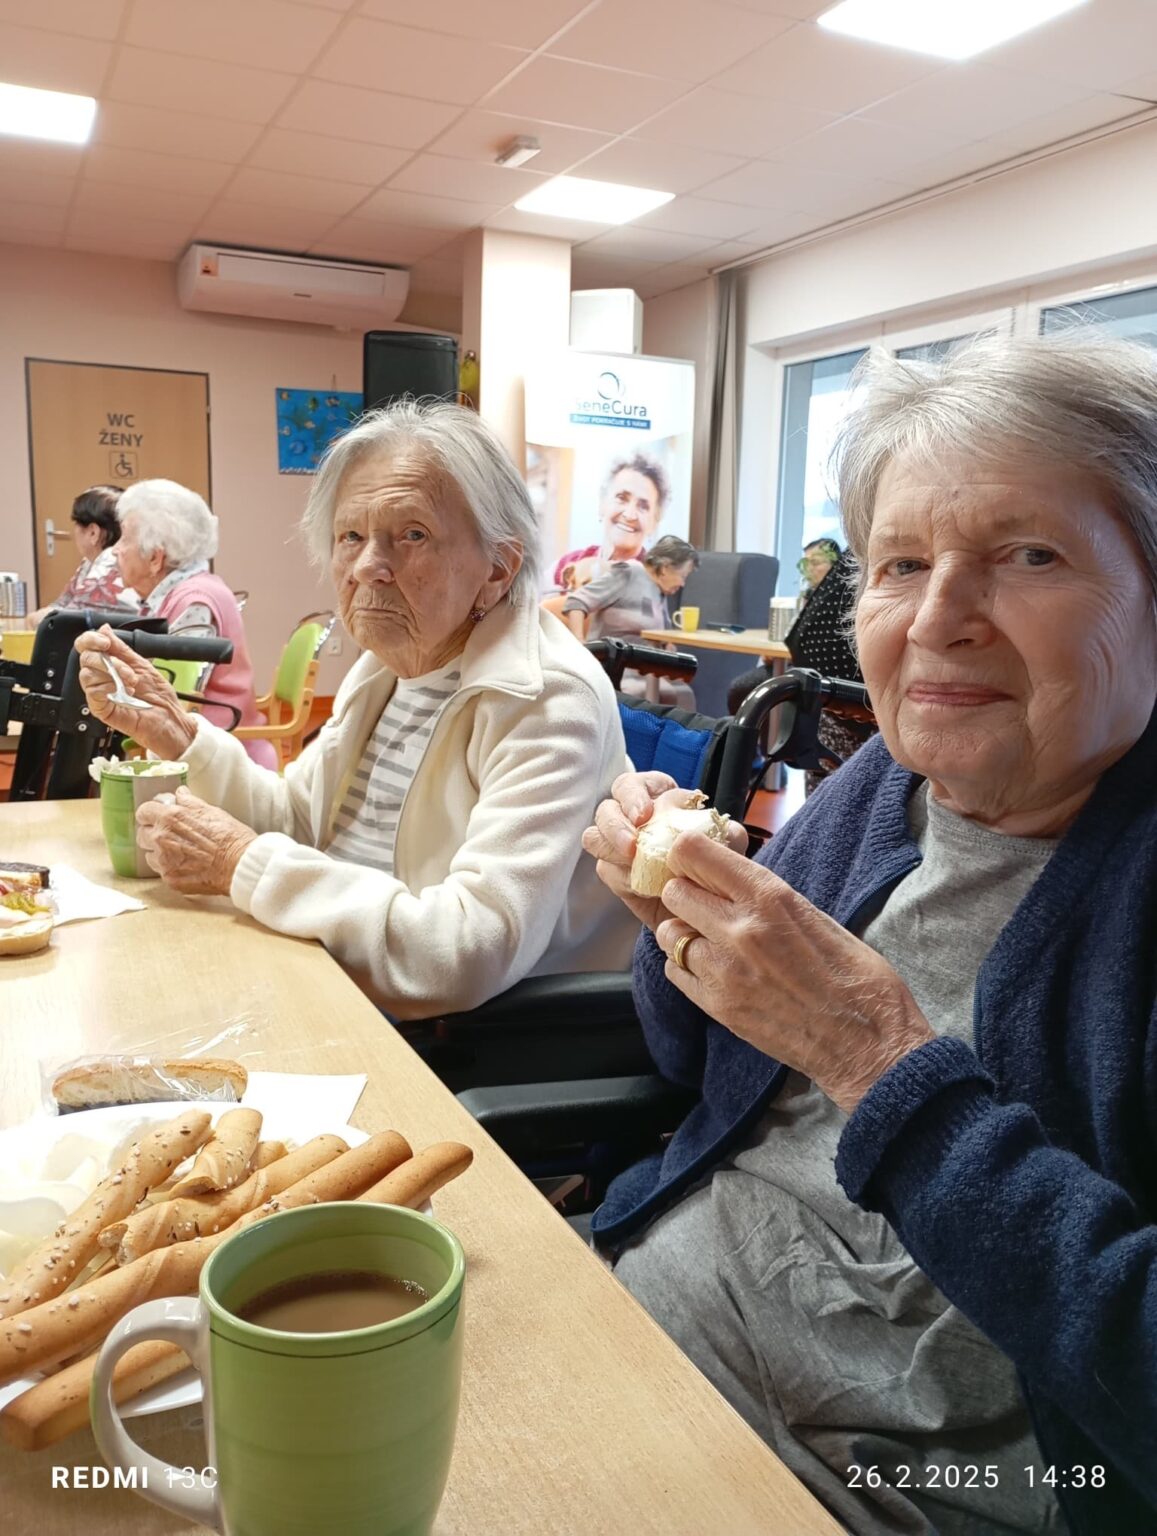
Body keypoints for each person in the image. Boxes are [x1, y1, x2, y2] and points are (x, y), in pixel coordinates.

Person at [581, 331, 1157, 1536]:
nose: (937, 619)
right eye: (900, 563)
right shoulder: (874, 791)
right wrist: (681, 936)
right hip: (651, 1334)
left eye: (1028, 555)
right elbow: (702, 1078)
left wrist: (877, 1062)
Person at [75, 402, 640, 1020]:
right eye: (351, 536)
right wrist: (181, 733)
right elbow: (297, 819)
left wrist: (239, 862)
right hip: (334, 979)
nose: (368, 565)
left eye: (412, 535)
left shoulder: (546, 699)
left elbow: (465, 951)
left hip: (459, 1038)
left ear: (497, 568)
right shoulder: (387, 667)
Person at [109, 478, 275, 770]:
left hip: (221, 761)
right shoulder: (187, 591)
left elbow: (175, 699)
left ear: (155, 557)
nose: (115, 550)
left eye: (123, 538)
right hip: (204, 749)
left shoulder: (195, 601)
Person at [727, 539, 876, 792]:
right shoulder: (815, 594)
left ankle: (777, 769)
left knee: (843, 779)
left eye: (815, 562)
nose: (808, 569)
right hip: (813, 676)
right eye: (805, 563)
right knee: (744, 689)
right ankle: (763, 763)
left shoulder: (852, 581)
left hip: (843, 688)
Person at [562, 535, 699, 706]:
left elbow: (659, 637)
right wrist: (579, 642)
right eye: (683, 576)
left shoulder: (661, 591)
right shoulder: (629, 573)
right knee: (656, 696)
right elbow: (576, 601)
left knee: (683, 694)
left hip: (646, 672)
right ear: (665, 568)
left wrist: (667, 647)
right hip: (616, 668)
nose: (683, 583)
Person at [551, 454, 669, 590]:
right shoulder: (566, 565)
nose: (630, 515)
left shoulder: (657, 580)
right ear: (602, 504)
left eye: (643, 506)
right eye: (621, 498)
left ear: (654, 522)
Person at [27, 486, 136, 623]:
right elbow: (61, 604)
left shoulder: (110, 560)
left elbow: (62, 622)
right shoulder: (90, 561)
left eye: (76, 524)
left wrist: (34, 618)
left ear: (93, 533)